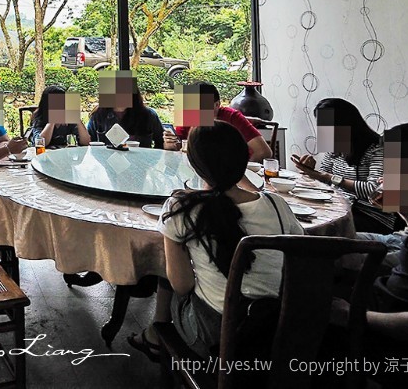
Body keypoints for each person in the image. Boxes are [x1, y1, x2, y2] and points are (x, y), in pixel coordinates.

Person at [130, 121, 304, 360]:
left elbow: (182, 286)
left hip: (214, 335)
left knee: (167, 274)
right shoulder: (277, 205)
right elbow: (299, 261)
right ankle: (153, 336)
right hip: (276, 329)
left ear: (195, 164)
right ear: (243, 160)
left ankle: (155, 335)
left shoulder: (182, 207)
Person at [327, 122, 408, 387]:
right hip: (378, 307)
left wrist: (349, 315)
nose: (381, 181)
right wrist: (407, 212)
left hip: (385, 346)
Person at [290, 97, 396, 233]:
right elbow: (323, 183)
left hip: (371, 216)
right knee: (294, 219)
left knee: (313, 231)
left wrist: (329, 177)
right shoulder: (334, 148)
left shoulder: (377, 148)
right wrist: (310, 171)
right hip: (339, 208)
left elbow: (374, 190)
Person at [168, 82, 272, 161]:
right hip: (199, 172)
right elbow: (176, 149)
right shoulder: (188, 117)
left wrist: (238, 171)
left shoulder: (232, 117)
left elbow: (263, 151)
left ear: (217, 105)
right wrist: (169, 145)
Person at [87, 72, 164, 148]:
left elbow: (161, 143)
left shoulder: (148, 115)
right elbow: (88, 145)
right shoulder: (98, 116)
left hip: (141, 160)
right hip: (107, 159)